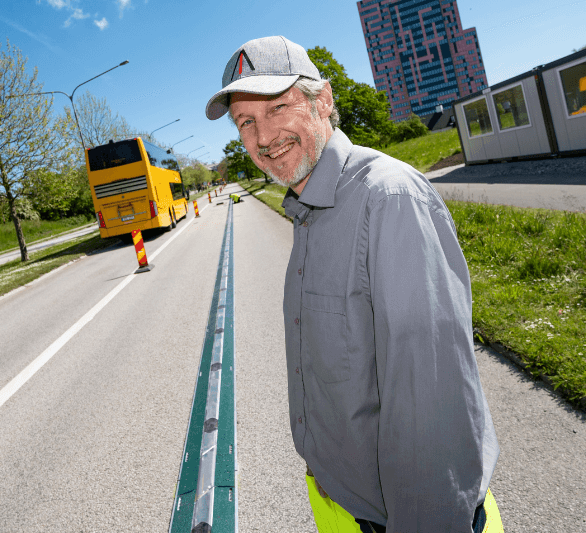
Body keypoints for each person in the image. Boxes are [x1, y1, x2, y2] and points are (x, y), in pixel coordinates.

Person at [205, 36, 501, 533]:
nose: (264, 136)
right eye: (246, 122)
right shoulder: (306, 209)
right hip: (339, 501)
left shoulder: (388, 200)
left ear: (323, 101)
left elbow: (431, 407)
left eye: (278, 108)